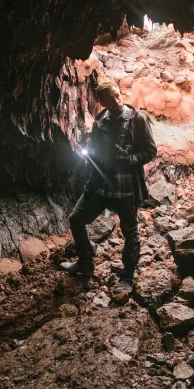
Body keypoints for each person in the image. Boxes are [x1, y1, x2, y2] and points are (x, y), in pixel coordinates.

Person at [61, 80, 157, 294]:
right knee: (77, 219)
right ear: (102, 102)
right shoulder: (100, 122)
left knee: (131, 232)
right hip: (101, 186)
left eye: (117, 95)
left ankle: (127, 277)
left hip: (126, 188)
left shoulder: (137, 120)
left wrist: (130, 159)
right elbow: (94, 153)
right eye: (109, 98)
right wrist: (90, 181)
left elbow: (151, 151)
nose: (116, 100)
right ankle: (86, 264)